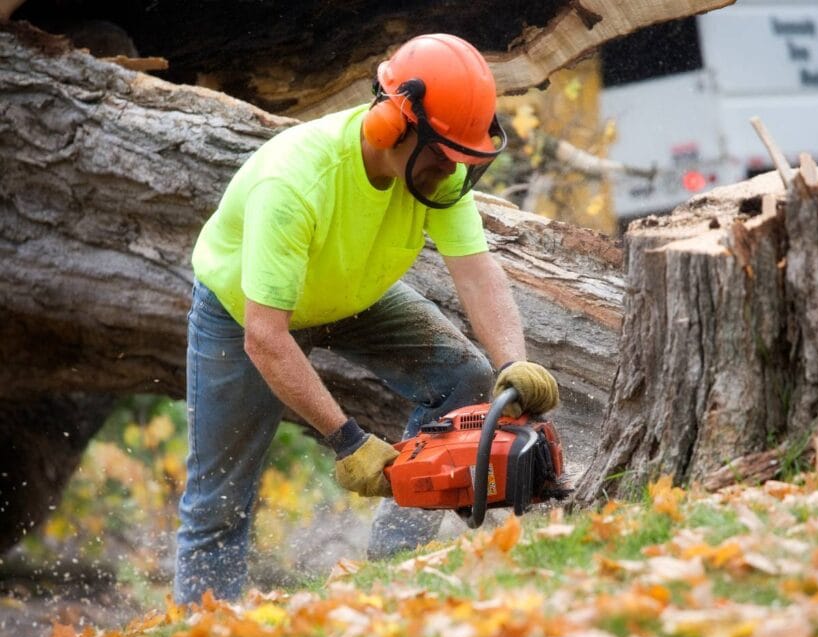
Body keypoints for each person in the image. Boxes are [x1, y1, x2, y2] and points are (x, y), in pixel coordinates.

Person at [174, 33, 559, 604]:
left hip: (352, 297)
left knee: (464, 377)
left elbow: (477, 273)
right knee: (218, 503)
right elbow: (266, 337)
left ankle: (393, 572)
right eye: (442, 155)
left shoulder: (439, 169)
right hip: (244, 315)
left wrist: (514, 362)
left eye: (462, 158)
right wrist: (348, 441)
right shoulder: (296, 184)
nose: (451, 172)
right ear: (391, 126)